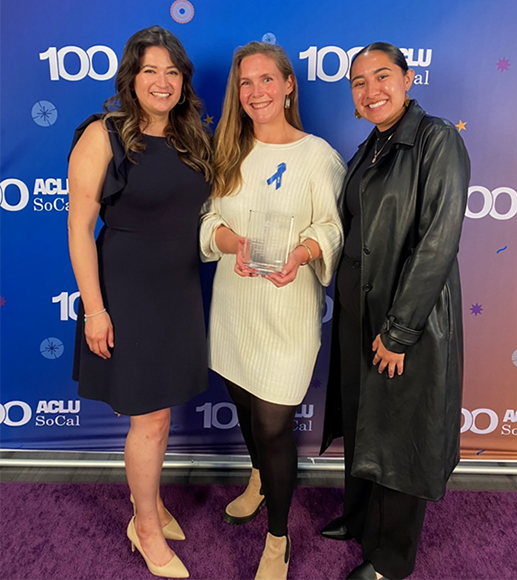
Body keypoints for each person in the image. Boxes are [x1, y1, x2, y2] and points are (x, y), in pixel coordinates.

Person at [320, 42, 470, 580]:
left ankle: (390, 560)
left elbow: (437, 241)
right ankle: (361, 521)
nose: (371, 89)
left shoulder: (437, 139)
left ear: (408, 79)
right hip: (361, 311)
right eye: (359, 83)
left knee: (401, 434)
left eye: (382, 76)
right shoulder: (370, 147)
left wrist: (402, 330)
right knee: (366, 423)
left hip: (407, 319)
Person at [68, 26, 212, 579]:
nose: (162, 81)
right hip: (126, 293)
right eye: (150, 70)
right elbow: (80, 229)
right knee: (148, 419)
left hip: (178, 291)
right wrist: (96, 309)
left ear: (183, 81)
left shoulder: (191, 135)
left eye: (172, 72)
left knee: (159, 413)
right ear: (131, 77)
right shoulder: (104, 136)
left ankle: (146, 507)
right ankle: (145, 528)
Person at [200, 41, 345, 580]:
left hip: (287, 313)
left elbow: (332, 229)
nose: (255, 91)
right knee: (241, 400)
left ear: (289, 86)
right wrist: (231, 240)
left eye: (266, 80)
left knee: (274, 422)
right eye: (245, 83)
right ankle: (258, 476)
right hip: (235, 308)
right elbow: (206, 224)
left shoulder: (319, 156)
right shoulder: (228, 152)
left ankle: (278, 540)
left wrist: (303, 252)